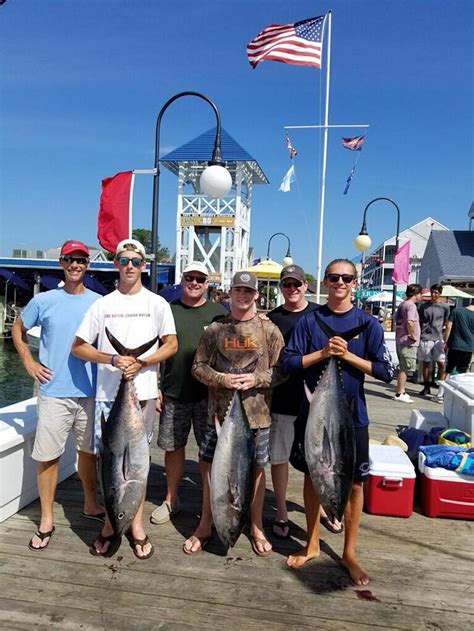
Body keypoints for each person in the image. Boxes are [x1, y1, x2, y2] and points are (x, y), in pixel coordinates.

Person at [282, 258, 394, 585]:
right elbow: (288, 363)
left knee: (356, 483)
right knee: (312, 476)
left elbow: (386, 372)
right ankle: (313, 543)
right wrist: (323, 353)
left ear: (354, 283)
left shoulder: (369, 324)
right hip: (314, 416)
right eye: (334, 277)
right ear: (326, 282)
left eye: (346, 278)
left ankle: (349, 553)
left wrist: (347, 356)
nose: (340, 283)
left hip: (352, 417)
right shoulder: (310, 321)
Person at [72, 238, 177, 559]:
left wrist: (142, 362)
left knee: (138, 466)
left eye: (135, 260)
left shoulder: (157, 304)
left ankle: (137, 525)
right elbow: (79, 346)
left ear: (143, 265)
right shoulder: (102, 305)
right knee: (111, 467)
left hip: (142, 394)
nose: (129, 266)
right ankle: (110, 522)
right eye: (123, 260)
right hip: (108, 397)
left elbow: (171, 344)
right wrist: (114, 360)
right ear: (116, 264)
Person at [183, 271, 285, 556]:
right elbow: (198, 367)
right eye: (238, 290)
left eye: (248, 291)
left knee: (257, 471)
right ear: (230, 293)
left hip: (258, 416)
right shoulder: (215, 330)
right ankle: (205, 524)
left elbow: (281, 370)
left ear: (256, 295)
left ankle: (255, 526)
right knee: (209, 469)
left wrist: (256, 379)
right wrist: (222, 379)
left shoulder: (270, 331)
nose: (243, 296)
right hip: (217, 416)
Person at [12, 240, 104, 551]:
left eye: (81, 259)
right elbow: (18, 328)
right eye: (70, 259)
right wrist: (29, 361)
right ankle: (47, 518)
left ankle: (91, 504)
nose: (75, 264)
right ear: (61, 263)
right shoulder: (45, 300)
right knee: (48, 456)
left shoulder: (99, 302)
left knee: (88, 454)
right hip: (54, 392)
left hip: (91, 392)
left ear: (87, 264)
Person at [150, 262, 227, 525]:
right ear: (182, 280)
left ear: (207, 283)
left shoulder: (220, 314)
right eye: (189, 278)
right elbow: (157, 349)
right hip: (174, 392)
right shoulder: (168, 311)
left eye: (200, 279)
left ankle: (212, 502)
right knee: (173, 447)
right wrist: (156, 386)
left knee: (210, 453)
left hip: (209, 397)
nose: (194, 283)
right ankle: (171, 499)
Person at [267, 264, 324, 538]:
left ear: (306, 286)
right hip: (280, 399)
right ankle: (281, 510)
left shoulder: (319, 314)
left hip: (314, 402)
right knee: (278, 459)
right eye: (287, 284)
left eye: (297, 284)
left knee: (316, 460)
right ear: (281, 288)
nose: (292, 289)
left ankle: (320, 508)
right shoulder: (271, 318)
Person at [418, 284, 450, 401]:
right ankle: (426, 386)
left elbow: (447, 323)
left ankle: (440, 388)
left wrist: (446, 339)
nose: (434, 294)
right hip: (425, 337)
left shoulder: (445, 307)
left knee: (441, 364)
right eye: (432, 292)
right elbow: (419, 321)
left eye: (436, 292)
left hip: (438, 338)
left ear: (440, 293)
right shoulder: (423, 306)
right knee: (425, 363)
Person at [393, 284, 423, 403]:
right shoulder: (411, 306)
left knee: (403, 366)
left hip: (400, 339)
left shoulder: (402, 304)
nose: (421, 296)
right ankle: (399, 393)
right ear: (416, 294)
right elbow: (410, 321)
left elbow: (396, 319)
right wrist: (412, 335)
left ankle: (402, 391)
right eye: (420, 293)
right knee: (405, 368)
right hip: (408, 341)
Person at [443, 299, 474, 377]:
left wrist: (445, 342)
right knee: (462, 372)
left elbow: (448, 327)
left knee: (448, 369)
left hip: (454, 345)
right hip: (468, 347)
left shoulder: (456, 311)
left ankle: (441, 388)